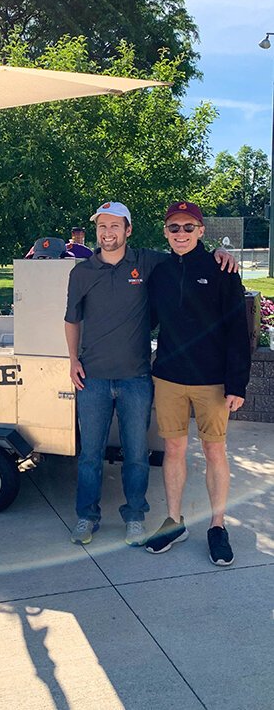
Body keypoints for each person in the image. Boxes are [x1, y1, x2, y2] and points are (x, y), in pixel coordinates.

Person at [64, 201, 237, 547]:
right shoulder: (85, 272)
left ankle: (158, 520)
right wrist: (73, 360)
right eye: (102, 227)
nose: (108, 233)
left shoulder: (150, 262)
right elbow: (72, 320)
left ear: (129, 230)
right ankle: (92, 518)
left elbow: (191, 260)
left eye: (116, 226)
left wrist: (222, 252)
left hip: (143, 379)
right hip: (107, 378)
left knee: (142, 454)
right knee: (93, 455)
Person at [144, 202, 251, 565]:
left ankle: (218, 526)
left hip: (213, 381)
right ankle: (174, 522)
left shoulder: (221, 269)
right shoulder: (159, 272)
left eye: (189, 228)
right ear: (165, 231)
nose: (181, 234)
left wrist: (238, 383)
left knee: (214, 452)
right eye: (174, 228)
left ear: (201, 231)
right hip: (170, 376)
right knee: (173, 451)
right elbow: (147, 320)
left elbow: (239, 329)